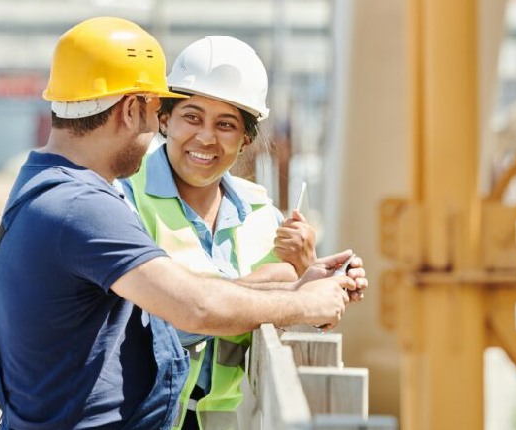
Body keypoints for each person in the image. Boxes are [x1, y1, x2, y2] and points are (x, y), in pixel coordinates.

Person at [0, 17, 364, 430]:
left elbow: (173, 301)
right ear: (131, 110)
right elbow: (192, 307)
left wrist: (292, 284)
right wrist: (304, 303)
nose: (154, 130)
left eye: (225, 124)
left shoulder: (52, 188)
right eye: (155, 111)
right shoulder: (83, 206)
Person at [120, 36, 365, 430]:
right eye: (192, 117)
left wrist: (310, 275)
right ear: (164, 119)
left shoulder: (261, 214)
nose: (206, 137)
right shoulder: (126, 199)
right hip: (141, 416)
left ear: (246, 138)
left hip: (219, 420)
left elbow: (280, 317)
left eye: (226, 124)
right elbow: (162, 317)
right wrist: (272, 287)